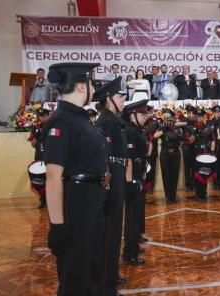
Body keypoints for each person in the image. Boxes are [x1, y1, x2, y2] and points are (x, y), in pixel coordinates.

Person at [43, 62, 109, 294]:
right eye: (91, 83)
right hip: (78, 203)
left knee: (92, 268)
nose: (94, 88)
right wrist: (57, 226)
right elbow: (52, 176)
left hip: (92, 201)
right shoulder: (62, 119)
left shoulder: (79, 118)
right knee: (76, 273)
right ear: (82, 87)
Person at [91, 76, 128, 296]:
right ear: (108, 99)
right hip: (111, 176)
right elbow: (102, 154)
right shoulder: (105, 120)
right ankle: (107, 286)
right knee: (110, 232)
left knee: (115, 232)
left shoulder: (112, 119)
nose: (123, 100)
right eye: (119, 96)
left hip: (117, 173)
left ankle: (111, 278)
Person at [122, 99, 150, 265]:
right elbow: (129, 159)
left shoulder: (136, 129)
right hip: (133, 178)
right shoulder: (130, 131)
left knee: (136, 215)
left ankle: (133, 246)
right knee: (131, 218)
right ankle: (129, 253)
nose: (145, 116)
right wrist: (131, 181)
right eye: (142, 113)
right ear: (132, 115)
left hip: (139, 175)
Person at [156, 108, 184, 203]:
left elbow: (181, 139)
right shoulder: (161, 126)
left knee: (174, 175)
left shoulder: (177, 127)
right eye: (165, 116)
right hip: (165, 153)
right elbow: (155, 136)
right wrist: (164, 130)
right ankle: (168, 197)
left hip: (175, 153)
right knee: (166, 176)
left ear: (172, 117)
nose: (167, 118)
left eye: (168, 116)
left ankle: (173, 196)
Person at [28, 107, 51, 209]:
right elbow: (33, 144)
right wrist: (37, 136)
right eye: (39, 116)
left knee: (50, 179)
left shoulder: (53, 126)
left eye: (43, 116)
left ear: (47, 116)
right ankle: (43, 199)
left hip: (50, 157)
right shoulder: (36, 127)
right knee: (39, 180)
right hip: (39, 157)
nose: (41, 118)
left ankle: (51, 200)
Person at [192, 108, 215, 200]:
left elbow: (212, 140)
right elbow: (189, 141)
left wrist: (212, 151)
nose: (199, 118)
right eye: (197, 116)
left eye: (201, 116)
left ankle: (204, 193)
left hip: (205, 152)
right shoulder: (192, 127)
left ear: (203, 117)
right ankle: (198, 193)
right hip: (195, 152)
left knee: (205, 172)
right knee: (197, 174)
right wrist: (195, 133)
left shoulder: (208, 128)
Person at [181, 105, 196, 192]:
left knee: (194, 166)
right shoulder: (184, 121)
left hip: (194, 146)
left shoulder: (196, 121)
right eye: (188, 112)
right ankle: (187, 184)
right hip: (186, 145)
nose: (190, 114)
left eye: (191, 113)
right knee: (187, 167)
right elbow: (177, 126)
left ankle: (193, 184)